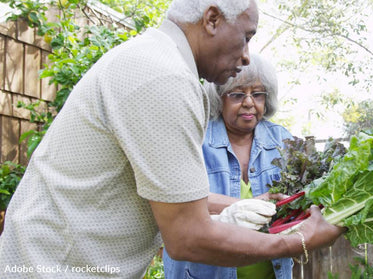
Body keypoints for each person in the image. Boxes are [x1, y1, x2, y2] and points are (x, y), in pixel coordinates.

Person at [0, 0, 344, 278]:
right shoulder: (165, 78)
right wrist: (299, 240)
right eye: (247, 37)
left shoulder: (154, 59)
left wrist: (246, 204)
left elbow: (172, 194)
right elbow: (187, 238)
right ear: (211, 19)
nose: (246, 57)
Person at [163, 53, 293, 279]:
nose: (249, 102)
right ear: (219, 98)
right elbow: (174, 198)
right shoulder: (196, 140)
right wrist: (246, 205)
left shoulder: (281, 141)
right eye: (238, 94)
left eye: (258, 94)